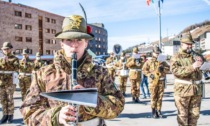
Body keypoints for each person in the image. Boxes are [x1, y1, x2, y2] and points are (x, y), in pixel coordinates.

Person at [20, 14, 125, 126]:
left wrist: (92, 101)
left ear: (86, 43)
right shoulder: (43, 73)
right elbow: (28, 113)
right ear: (61, 43)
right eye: (69, 40)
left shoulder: (100, 72)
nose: (74, 45)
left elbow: (118, 105)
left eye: (79, 40)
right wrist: (56, 116)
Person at [170, 32, 203, 126]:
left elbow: (203, 66)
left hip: (196, 90)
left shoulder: (196, 55)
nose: (190, 46)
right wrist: (192, 67)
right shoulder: (176, 57)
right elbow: (176, 71)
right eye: (187, 44)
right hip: (182, 90)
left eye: (191, 44)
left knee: (195, 115)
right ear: (182, 44)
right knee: (183, 116)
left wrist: (203, 65)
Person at [142, 46, 170, 118]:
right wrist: (150, 75)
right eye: (156, 53)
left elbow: (168, 69)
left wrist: (163, 69)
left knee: (160, 97)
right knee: (153, 97)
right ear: (153, 53)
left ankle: (159, 110)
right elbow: (144, 70)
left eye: (158, 53)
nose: (157, 54)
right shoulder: (149, 61)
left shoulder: (163, 62)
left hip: (161, 81)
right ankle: (153, 111)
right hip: (153, 82)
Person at [0, 42, 19, 124]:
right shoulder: (0, 59)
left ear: (11, 49)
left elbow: (16, 68)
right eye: (4, 49)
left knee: (9, 98)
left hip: (10, 82)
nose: (6, 50)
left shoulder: (14, 58)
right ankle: (5, 115)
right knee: (3, 99)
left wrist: (7, 62)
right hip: (1, 82)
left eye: (7, 49)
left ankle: (10, 115)